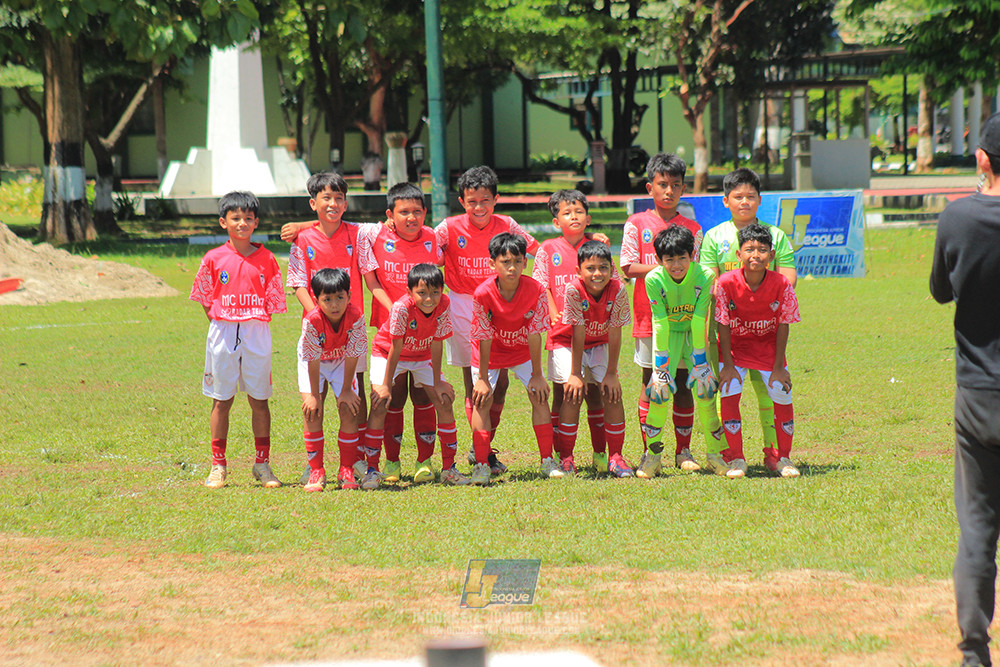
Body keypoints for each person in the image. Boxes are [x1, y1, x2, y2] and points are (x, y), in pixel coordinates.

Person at [930, 111, 1000, 667]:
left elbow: (940, 291)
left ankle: (974, 653)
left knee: (977, 525)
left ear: (981, 159)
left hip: (978, 394)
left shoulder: (958, 219)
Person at [435, 165, 540, 476]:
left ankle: (480, 447)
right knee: (476, 384)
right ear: (461, 201)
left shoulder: (507, 224)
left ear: (496, 199)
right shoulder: (448, 227)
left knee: (502, 383)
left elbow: (539, 251)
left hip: (503, 305)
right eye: (471, 201)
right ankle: (481, 452)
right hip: (465, 306)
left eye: (484, 200)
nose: (478, 208)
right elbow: (421, 241)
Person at [189, 191, 287, 489]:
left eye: (248, 218)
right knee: (222, 400)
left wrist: (247, 320)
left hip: (256, 331)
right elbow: (205, 298)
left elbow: (274, 300)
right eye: (235, 218)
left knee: (260, 399)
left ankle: (262, 463)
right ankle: (218, 465)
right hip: (223, 330)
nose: (242, 223)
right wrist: (223, 321)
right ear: (223, 222)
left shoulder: (267, 259)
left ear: (256, 222)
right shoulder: (213, 258)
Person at [700, 167, 797, 461]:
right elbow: (710, 281)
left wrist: (765, 299)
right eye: (738, 196)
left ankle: (773, 452)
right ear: (725, 201)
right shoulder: (714, 236)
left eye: (751, 196)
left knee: (768, 391)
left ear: (760, 200)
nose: (745, 202)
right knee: (727, 386)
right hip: (727, 328)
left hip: (765, 326)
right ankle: (726, 453)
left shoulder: (775, 235)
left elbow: (788, 277)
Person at [283, 172, 373, 483]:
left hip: (350, 330)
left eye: (338, 198)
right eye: (326, 198)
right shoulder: (302, 241)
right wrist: (320, 317)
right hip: (318, 331)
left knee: (352, 397)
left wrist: (340, 319)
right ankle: (316, 467)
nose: (332, 203)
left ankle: (354, 460)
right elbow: (296, 283)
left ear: (346, 203)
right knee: (314, 402)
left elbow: (384, 227)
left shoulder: (358, 235)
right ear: (313, 203)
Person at [358, 182, 442, 483]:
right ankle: (390, 463)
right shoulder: (374, 234)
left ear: (425, 213)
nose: (411, 217)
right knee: (391, 398)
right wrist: (396, 309)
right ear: (389, 215)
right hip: (389, 334)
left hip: (424, 336)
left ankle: (424, 461)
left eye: (417, 211)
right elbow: (334, 218)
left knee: (422, 396)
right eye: (403, 212)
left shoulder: (434, 237)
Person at [620, 153, 702, 451]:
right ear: (649, 187)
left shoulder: (692, 229)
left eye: (675, 185)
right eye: (662, 184)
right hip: (648, 317)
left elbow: (697, 272)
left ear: (683, 189)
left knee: (681, 381)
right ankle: (649, 450)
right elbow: (627, 266)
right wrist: (667, 268)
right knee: (650, 379)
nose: (669, 191)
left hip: (684, 319)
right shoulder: (635, 223)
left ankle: (684, 450)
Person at [532, 190, 618, 473]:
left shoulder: (597, 246)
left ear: (588, 218)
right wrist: (554, 310)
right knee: (565, 394)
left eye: (579, 212)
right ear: (557, 221)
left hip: (596, 335)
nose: (573, 217)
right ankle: (563, 455)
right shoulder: (548, 249)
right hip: (562, 336)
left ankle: (600, 454)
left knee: (596, 394)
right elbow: (540, 285)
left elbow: (613, 283)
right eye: (567, 213)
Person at [362, 264, 469, 488]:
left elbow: (438, 342)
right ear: (409, 292)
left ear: (442, 290)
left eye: (434, 292)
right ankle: (372, 470)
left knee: (444, 400)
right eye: (422, 293)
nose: (429, 299)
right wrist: (385, 385)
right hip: (388, 353)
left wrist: (438, 382)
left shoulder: (445, 303)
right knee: (380, 402)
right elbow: (395, 347)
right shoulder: (401, 308)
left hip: (422, 355)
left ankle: (449, 468)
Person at [633, 226, 726, 479]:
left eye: (681, 258)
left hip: (693, 336)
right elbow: (660, 321)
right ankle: (652, 458)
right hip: (668, 337)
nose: (676, 265)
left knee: (706, 392)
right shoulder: (653, 279)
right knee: (659, 394)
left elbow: (699, 319)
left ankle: (715, 456)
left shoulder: (704, 275)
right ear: (659, 260)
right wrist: (661, 368)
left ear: (692, 254)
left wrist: (700, 361)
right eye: (669, 260)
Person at [469, 233, 558, 485]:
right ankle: (482, 465)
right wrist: (484, 379)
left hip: (522, 351)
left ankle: (547, 461)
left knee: (539, 395)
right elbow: (484, 337)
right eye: (505, 261)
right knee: (482, 400)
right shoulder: (482, 293)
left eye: (518, 261)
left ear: (525, 263)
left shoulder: (536, 289)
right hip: (490, 353)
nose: (512, 267)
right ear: (492, 264)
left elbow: (534, 334)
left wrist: (538, 376)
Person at [714, 223, 800, 479]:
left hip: (768, 352)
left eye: (762, 250)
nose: (755, 255)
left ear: (771, 256)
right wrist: (727, 365)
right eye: (749, 249)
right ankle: (736, 458)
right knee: (729, 392)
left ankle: (782, 457)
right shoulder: (726, 282)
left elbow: (784, 325)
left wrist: (778, 368)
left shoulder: (782, 283)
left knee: (782, 394)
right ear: (738, 254)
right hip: (734, 352)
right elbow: (723, 325)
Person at [555, 240, 634, 477]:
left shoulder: (618, 289)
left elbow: (615, 330)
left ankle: (615, 457)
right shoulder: (572, 289)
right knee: (572, 393)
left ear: (612, 268)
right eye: (590, 268)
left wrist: (611, 373)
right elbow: (577, 331)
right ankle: (567, 458)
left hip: (600, 342)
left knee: (612, 394)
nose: (597, 273)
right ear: (579, 271)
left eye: (603, 267)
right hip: (567, 343)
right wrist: (576, 374)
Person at [296, 268, 367, 492]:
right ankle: (316, 469)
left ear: (349, 296)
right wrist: (315, 396)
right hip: (314, 363)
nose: (335, 305)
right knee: (312, 410)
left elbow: (354, 353)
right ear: (316, 300)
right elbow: (313, 360)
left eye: (340, 298)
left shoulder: (356, 317)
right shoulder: (312, 321)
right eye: (327, 300)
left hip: (341, 360)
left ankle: (346, 468)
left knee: (349, 407)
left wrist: (346, 389)